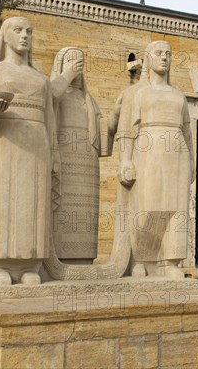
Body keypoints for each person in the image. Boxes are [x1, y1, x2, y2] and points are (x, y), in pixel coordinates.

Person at [0, 17, 77, 287]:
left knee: (32, 204)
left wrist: (54, 152)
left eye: (29, 31)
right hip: (3, 143)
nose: (25, 36)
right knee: (1, 202)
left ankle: (29, 264)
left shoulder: (40, 79)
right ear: (5, 36)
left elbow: (50, 119)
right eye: (18, 30)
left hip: (37, 146)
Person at [115, 40, 195, 278]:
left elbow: (188, 132)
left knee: (176, 209)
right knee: (147, 206)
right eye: (159, 53)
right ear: (148, 58)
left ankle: (169, 261)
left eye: (168, 54)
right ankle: (141, 258)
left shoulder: (178, 96)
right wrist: (125, 160)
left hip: (177, 153)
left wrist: (192, 162)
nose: (164, 58)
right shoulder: (138, 94)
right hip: (148, 149)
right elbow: (127, 130)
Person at [49, 47, 112, 264]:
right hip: (64, 156)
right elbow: (48, 104)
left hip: (87, 162)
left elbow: (102, 128)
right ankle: (59, 257)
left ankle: (85, 257)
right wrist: (66, 75)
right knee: (63, 206)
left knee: (86, 210)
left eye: (80, 60)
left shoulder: (89, 99)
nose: (77, 63)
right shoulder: (54, 94)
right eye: (71, 59)